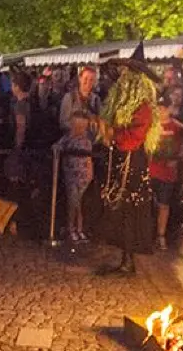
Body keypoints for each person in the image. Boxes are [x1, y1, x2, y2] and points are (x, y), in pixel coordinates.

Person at [93, 44, 160, 275]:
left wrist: (112, 132)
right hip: (122, 160)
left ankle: (129, 261)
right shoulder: (124, 104)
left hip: (132, 162)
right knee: (120, 208)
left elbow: (133, 137)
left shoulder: (142, 108)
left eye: (128, 75)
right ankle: (124, 258)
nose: (122, 78)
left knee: (130, 210)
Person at [149, 89, 183, 251]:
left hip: (168, 174)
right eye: (159, 108)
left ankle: (161, 235)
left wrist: (177, 159)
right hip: (152, 171)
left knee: (164, 205)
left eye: (164, 108)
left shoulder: (177, 127)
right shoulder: (152, 127)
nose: (162, 111)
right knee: (151, 204)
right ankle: (150, 234)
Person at [54, 111, 94, 244]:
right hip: (71, 175)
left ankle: (79, 228)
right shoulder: (67, 138)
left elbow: (89, 159)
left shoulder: (86, 140)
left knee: (79, 203)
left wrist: (90, 173)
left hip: (83, 176)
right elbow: (56, 147)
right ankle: (71, 229)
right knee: (73, 202)